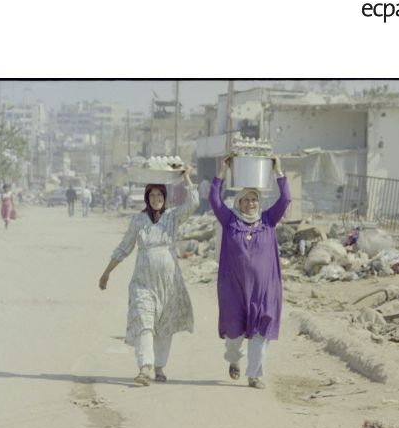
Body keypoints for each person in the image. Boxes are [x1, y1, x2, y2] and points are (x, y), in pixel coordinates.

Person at [99, 169, 199, 385]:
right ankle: (145, 367)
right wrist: (107, 272)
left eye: (160, 196)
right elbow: (124, 247)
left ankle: (160, 366)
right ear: (147, 198)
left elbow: (193, 204)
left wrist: (186, 177)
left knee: (165, 325)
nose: (156, 199)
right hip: (143, 282)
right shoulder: (138, 221)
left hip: (169, 283)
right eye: (152, 196)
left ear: (165, 198)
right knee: (144, 322)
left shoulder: (173, 217)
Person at [209, 156, 291, 389]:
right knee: (234, 335)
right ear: (238, 202)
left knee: (260, 333)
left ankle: (254, 375)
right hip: (234, 288)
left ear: (259, 202)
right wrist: (222, 170)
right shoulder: (229, 221)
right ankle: (234, 360)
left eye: (254, 199)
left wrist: (278, 170)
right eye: (245, 200)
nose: (250, 204)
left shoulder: (268, 220)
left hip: (264, 289)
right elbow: (214, 199)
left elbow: (285, 199)